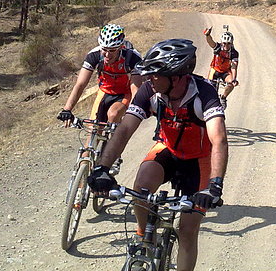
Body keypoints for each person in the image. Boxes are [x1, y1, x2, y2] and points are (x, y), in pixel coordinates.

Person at [87, 38, 228, 271]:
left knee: (187, 231)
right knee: (140, 189)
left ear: (175, 77)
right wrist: (102, 168)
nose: (148, 79)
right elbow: (124, 130)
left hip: (200, 160)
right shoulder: (149, 90)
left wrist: (214, 186)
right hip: (168, 149)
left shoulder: (204, 93)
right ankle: (143, 236)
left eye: (154, 75)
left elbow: (219, 139)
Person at [57, 24, 143, 174]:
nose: (107, 55)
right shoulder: (94, 55)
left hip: (124, 94)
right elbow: (80, 84)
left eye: (112, 51)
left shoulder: (132, 57)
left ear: (121, 47)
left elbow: (136, 89)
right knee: (91, 136)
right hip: (104, 93)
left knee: (113, 115)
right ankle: (79, 190)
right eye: (104, 50)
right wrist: (67, 109)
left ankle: (114, 154)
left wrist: (133, 114)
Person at [203, 26, 239, 107]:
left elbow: (234, 67)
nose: (226, 45)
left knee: (230, 84)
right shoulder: (218, 47)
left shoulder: (234, 53)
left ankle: (223, 98)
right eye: (224, 43)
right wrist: (207, 35)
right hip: (215, 69)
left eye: (228, 43)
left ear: (232, 43)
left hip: (225, 71)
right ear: (221, 42)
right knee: (209, 88)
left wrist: (234, 79)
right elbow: (211, 42)